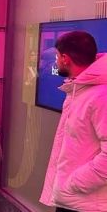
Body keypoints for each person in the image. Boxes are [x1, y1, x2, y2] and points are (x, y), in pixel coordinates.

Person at [40, 31, 107, 212]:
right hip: (74, 199)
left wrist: (75, 183)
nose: (55, 62)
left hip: (85, 202)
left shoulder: (100, 95)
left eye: (56, 56)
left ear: (65, 58)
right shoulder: (79, 89)